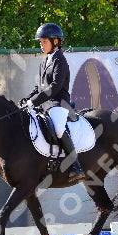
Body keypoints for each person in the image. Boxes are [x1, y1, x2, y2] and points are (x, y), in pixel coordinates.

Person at [20, 23, 85, 183]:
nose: (41, 45)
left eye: (44, 42)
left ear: (55, 41)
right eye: (40, 42)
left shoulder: (60, 61)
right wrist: (28, 99)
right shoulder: (45, 61)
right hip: (44, 105)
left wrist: (34, 101)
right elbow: (39, 87)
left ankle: (76, 166)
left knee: (57, 127)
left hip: (58, 103)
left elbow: (55, 87)